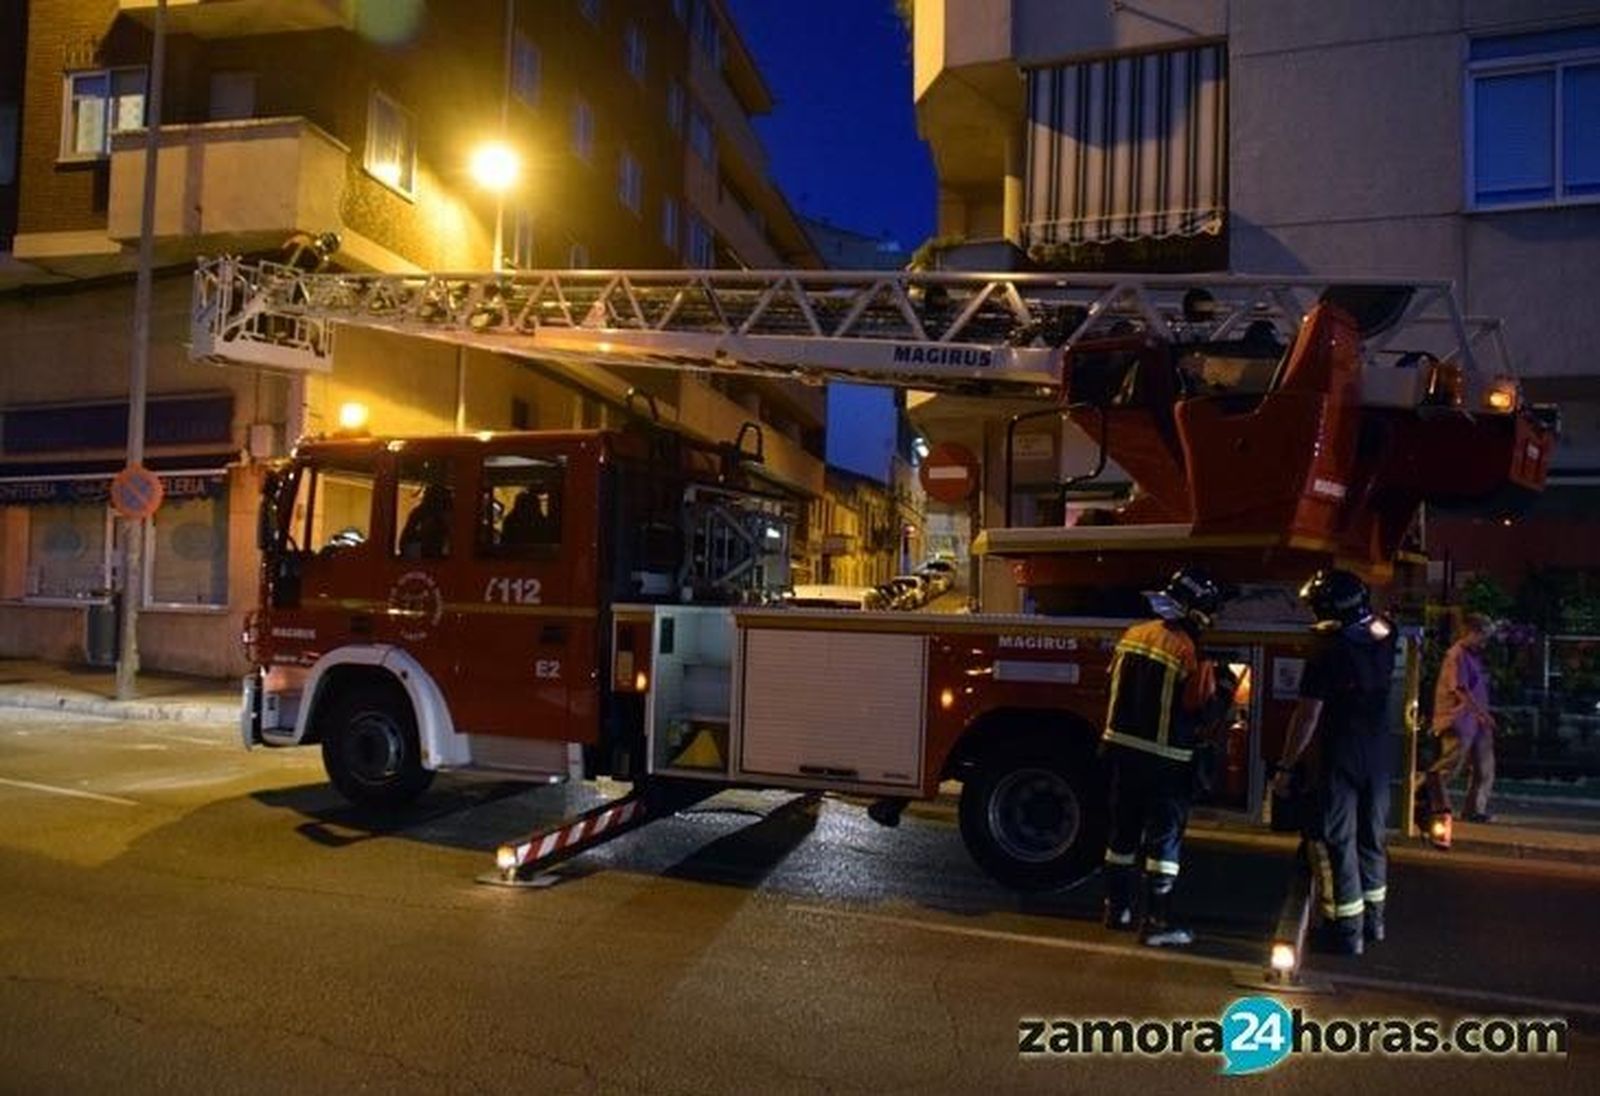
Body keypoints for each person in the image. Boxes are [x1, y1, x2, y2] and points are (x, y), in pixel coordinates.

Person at [1101, 567, 1236, 947]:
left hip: (1121, 752)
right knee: (1163, 843)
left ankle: (1118, 910)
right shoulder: (1188, 650)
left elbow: (1112, 683)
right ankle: (1157, 924)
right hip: (1167, 761)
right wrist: (1225, 688)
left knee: (1122, 834)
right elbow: (1201, 710)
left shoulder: (1133, 634)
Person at [1271, 569, 1398, 956]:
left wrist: (1286, 767)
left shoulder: (1327, 651)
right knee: (1370, 838)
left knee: (1332, 839)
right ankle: (1373, 921)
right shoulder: (1385, 634)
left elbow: (1308, 716)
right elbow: (1375, 624)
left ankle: (1345, 930)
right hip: (1377, 755)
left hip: (1339, 753)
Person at [1425, 613, 1497, 825]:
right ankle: (1426, 796)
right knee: (1449, 766)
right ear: (1470, 632)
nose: (1485, 641)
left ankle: (1475, 809)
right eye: (1483, 636)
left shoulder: (1472, 656)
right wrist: (1482, 714)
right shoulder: (1456, 656)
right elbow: (1460, 690)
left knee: (1485, 768)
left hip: (1475, 722)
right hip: (1459, 720)